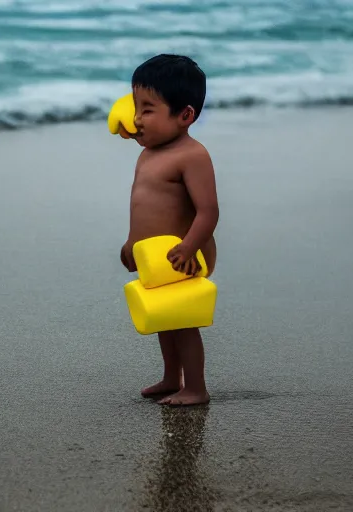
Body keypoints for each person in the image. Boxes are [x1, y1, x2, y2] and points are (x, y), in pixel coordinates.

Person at [120, 54, 219, 406]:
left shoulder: (192, 155)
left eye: (147, 110)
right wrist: (132, 243)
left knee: (183, 321)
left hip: (185, 254)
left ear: (185, 115)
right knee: (164, 316)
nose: (135, 118)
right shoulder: (148, 153)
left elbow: (208, 211)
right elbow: (145, 207)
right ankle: (170, 377)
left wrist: (190, 247)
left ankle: (195, 387)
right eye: (135, 107)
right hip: (157, 257)